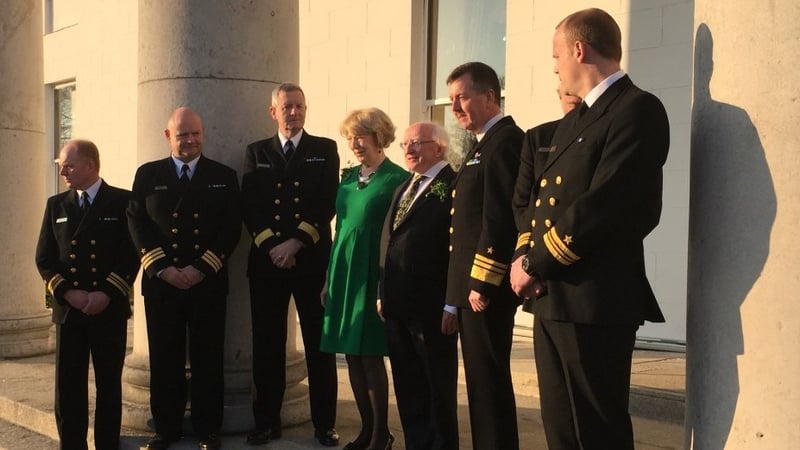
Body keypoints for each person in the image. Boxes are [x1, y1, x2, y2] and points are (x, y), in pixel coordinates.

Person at [509, 8, 670, 450]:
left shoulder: (637, 109)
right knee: (561, 426)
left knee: (596, 428)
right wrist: (527, 258)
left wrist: (535, 261)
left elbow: (609, 204)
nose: (555, 65)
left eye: (557, 55)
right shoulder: (576, 120)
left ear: (579, 49)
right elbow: (539, 202)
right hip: (552, 295)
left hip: (594, 297)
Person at [127, 107, 241, 450]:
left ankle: (209, 430)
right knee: (165, 358)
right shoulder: (148, 174)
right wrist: (162, 268)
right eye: (182, 135)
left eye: (195, 134)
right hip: (163, 283)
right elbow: (137, 223)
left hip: (206, 282)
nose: (190, 140)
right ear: (168, 137)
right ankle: (167, 429)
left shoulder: (223, 175)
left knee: (208, 358)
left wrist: (200, 269)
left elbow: (231, 228)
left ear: (202, 134)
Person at [241, 83, 340, 447]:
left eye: (299, 106)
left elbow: (326, 201)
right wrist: (273, 247)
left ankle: (324, 423)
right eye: (287, 107)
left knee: (319, 344)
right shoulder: (257, 152)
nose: (294, 112)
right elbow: (250, 205)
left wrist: (295, 242)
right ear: (274, 112)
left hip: (310, 259)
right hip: (268, 264)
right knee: (267, 345)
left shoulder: (324, 150)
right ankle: (266, 421)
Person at [35, 139, 139, 450]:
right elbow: (44, 259)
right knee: (68, 387)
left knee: (109, 384)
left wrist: (105, 293)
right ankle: (72, 445)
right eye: (60, 165)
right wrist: (69, 294)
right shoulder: (57, 205)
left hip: (108, 309)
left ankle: (107, 444)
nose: (62, 170)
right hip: (70, 312)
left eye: (68, 164)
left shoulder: (122, 201)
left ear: (90, 165)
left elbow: (131, 254)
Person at [444, 61, 523, 450]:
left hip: (484, 290)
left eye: (463, 97)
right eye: (452, 100)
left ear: (490, 96)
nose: (455, 107)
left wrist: (482, 281)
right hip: (471, 289)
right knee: (478, 381)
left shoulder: (506, 141)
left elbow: (500, 218)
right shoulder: (482, 145)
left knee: (488, 382)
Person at [320, 107, 408, 450]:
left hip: (373, 271)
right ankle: (366, 429)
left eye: (361, 135)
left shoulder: (396, 178)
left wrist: (387, 282)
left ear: (379, 135)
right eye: (350, 137)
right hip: (344, 272)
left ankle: (381, 435)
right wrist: (329, 278)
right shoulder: (348, 177)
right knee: (351, 355)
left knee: (369, 353)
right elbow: (339, 227)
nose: (355, 143)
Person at [377, 122, 459, 450]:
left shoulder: (453, 185)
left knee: (436, 386)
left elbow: (458, 248)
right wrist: (383, 292)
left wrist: (452, 303)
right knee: (408, 386)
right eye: (406, 144)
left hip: (432, 307)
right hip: (397, 304)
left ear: (438, 148)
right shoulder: (406, 185)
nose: (409, 150)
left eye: (418, 143)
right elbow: (390, 241)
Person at [512, 86, 581, 313]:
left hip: (579, 275)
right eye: (567, 91)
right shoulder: (540, 136)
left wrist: (538, 263)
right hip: (539, 280)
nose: (573, 96)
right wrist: (526, 259)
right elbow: (524, 202)